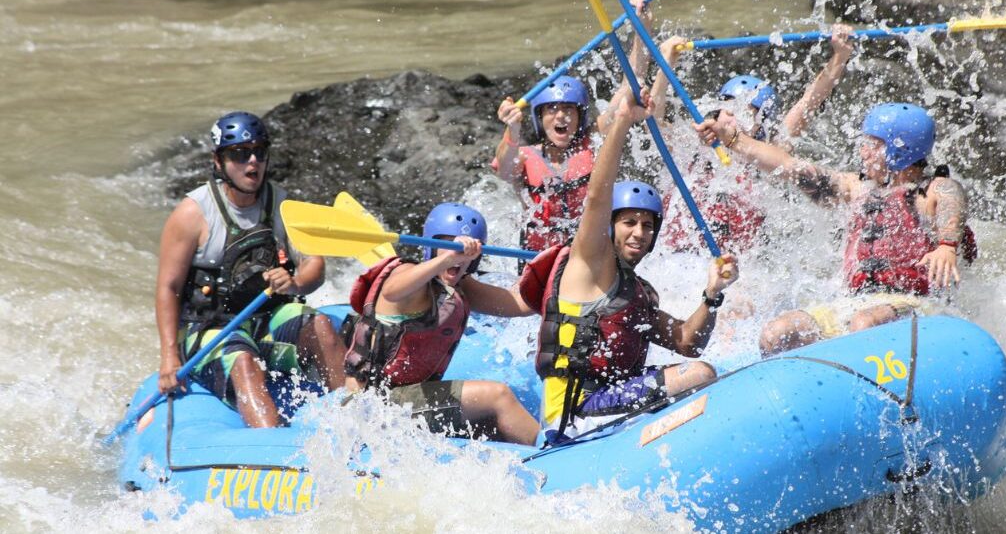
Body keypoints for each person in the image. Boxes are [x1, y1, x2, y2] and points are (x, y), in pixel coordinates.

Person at [515, 90, 739, 438]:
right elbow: (596, 196)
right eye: (629, 223)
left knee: (699, 367)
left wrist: (712, 295)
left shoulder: (637, 290)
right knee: (699, 375)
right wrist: (622, 121)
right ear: (610, 227)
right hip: (576, 412)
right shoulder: (588, 265)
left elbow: (686, 342)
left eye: (647, 226)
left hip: (610, 402)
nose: (639, 233)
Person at [693, 102, 977, 356]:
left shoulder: (927, 191)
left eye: (873, 144)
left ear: (899, 151)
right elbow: (790, 166)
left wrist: (947, 245)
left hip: (915, 307)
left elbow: (952, 197)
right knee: (776, 333)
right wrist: (731, 138)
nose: (863, 151)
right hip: (853, 305)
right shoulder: (857, 188)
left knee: (864, 323)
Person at [155, 112, 346, 428]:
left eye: (259, 151)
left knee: (322, 326)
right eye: (240, 154)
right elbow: (168, 288)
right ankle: (271, 447)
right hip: (211, 326)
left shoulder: (281, 204)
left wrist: (295, 283)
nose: (252, 162)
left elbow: (315, 264)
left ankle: (353, 416)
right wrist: (168, 358)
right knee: (244, 364)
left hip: (267, 320)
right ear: (219, 161)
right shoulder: (192, 214)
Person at [341, 202, 540, 446]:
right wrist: (447, 259)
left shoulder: (461, 287)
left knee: (490, 423)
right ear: (431, 247)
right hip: (371, 406)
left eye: (465, 252)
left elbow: (518, 304)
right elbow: (392, 291)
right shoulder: (406, 277)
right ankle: (554, 462)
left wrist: (562, 269)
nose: (457, 258)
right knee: (498, 397)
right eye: (447, 244)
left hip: (406, 403)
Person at [657, 25, 856, 253]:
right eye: (729, 110)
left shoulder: (769, 151)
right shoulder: (693, 145)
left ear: (762, 127)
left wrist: (840, 55)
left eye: (746, 114)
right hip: (674, 258)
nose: (733, 120)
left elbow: (808, 102)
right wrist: (666, 61)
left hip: (735, 269)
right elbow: (654, 118)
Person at [493, 0, 662, 254]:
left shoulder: (594, 140)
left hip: (587, 254)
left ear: (580, 116)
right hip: (538, 258)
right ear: (539, 118)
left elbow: (631, 82)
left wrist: (642, 28)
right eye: (552, 109)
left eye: (569, 109)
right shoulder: (525, 157)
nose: (561, 117)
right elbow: (505, 169)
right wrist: (512, 128)